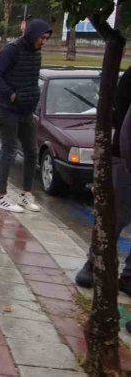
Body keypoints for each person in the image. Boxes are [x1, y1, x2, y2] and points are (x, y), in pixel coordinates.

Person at [0, 19, 52, 212]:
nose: (44, 42)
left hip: (26, 109)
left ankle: (25, 195)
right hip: (7, 109)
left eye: (46, 38)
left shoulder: (36, 52)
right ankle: (0, 196)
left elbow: (31, 79)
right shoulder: (12, 50)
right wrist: (11, 94)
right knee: (9, 150)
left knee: (31, 152)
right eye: (42, 37)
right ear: (33, 34)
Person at [75, 67, 131, 294]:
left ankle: (128, 277)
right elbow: (121, 122)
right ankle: (94, 264)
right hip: (124, 156)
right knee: (114, 215)